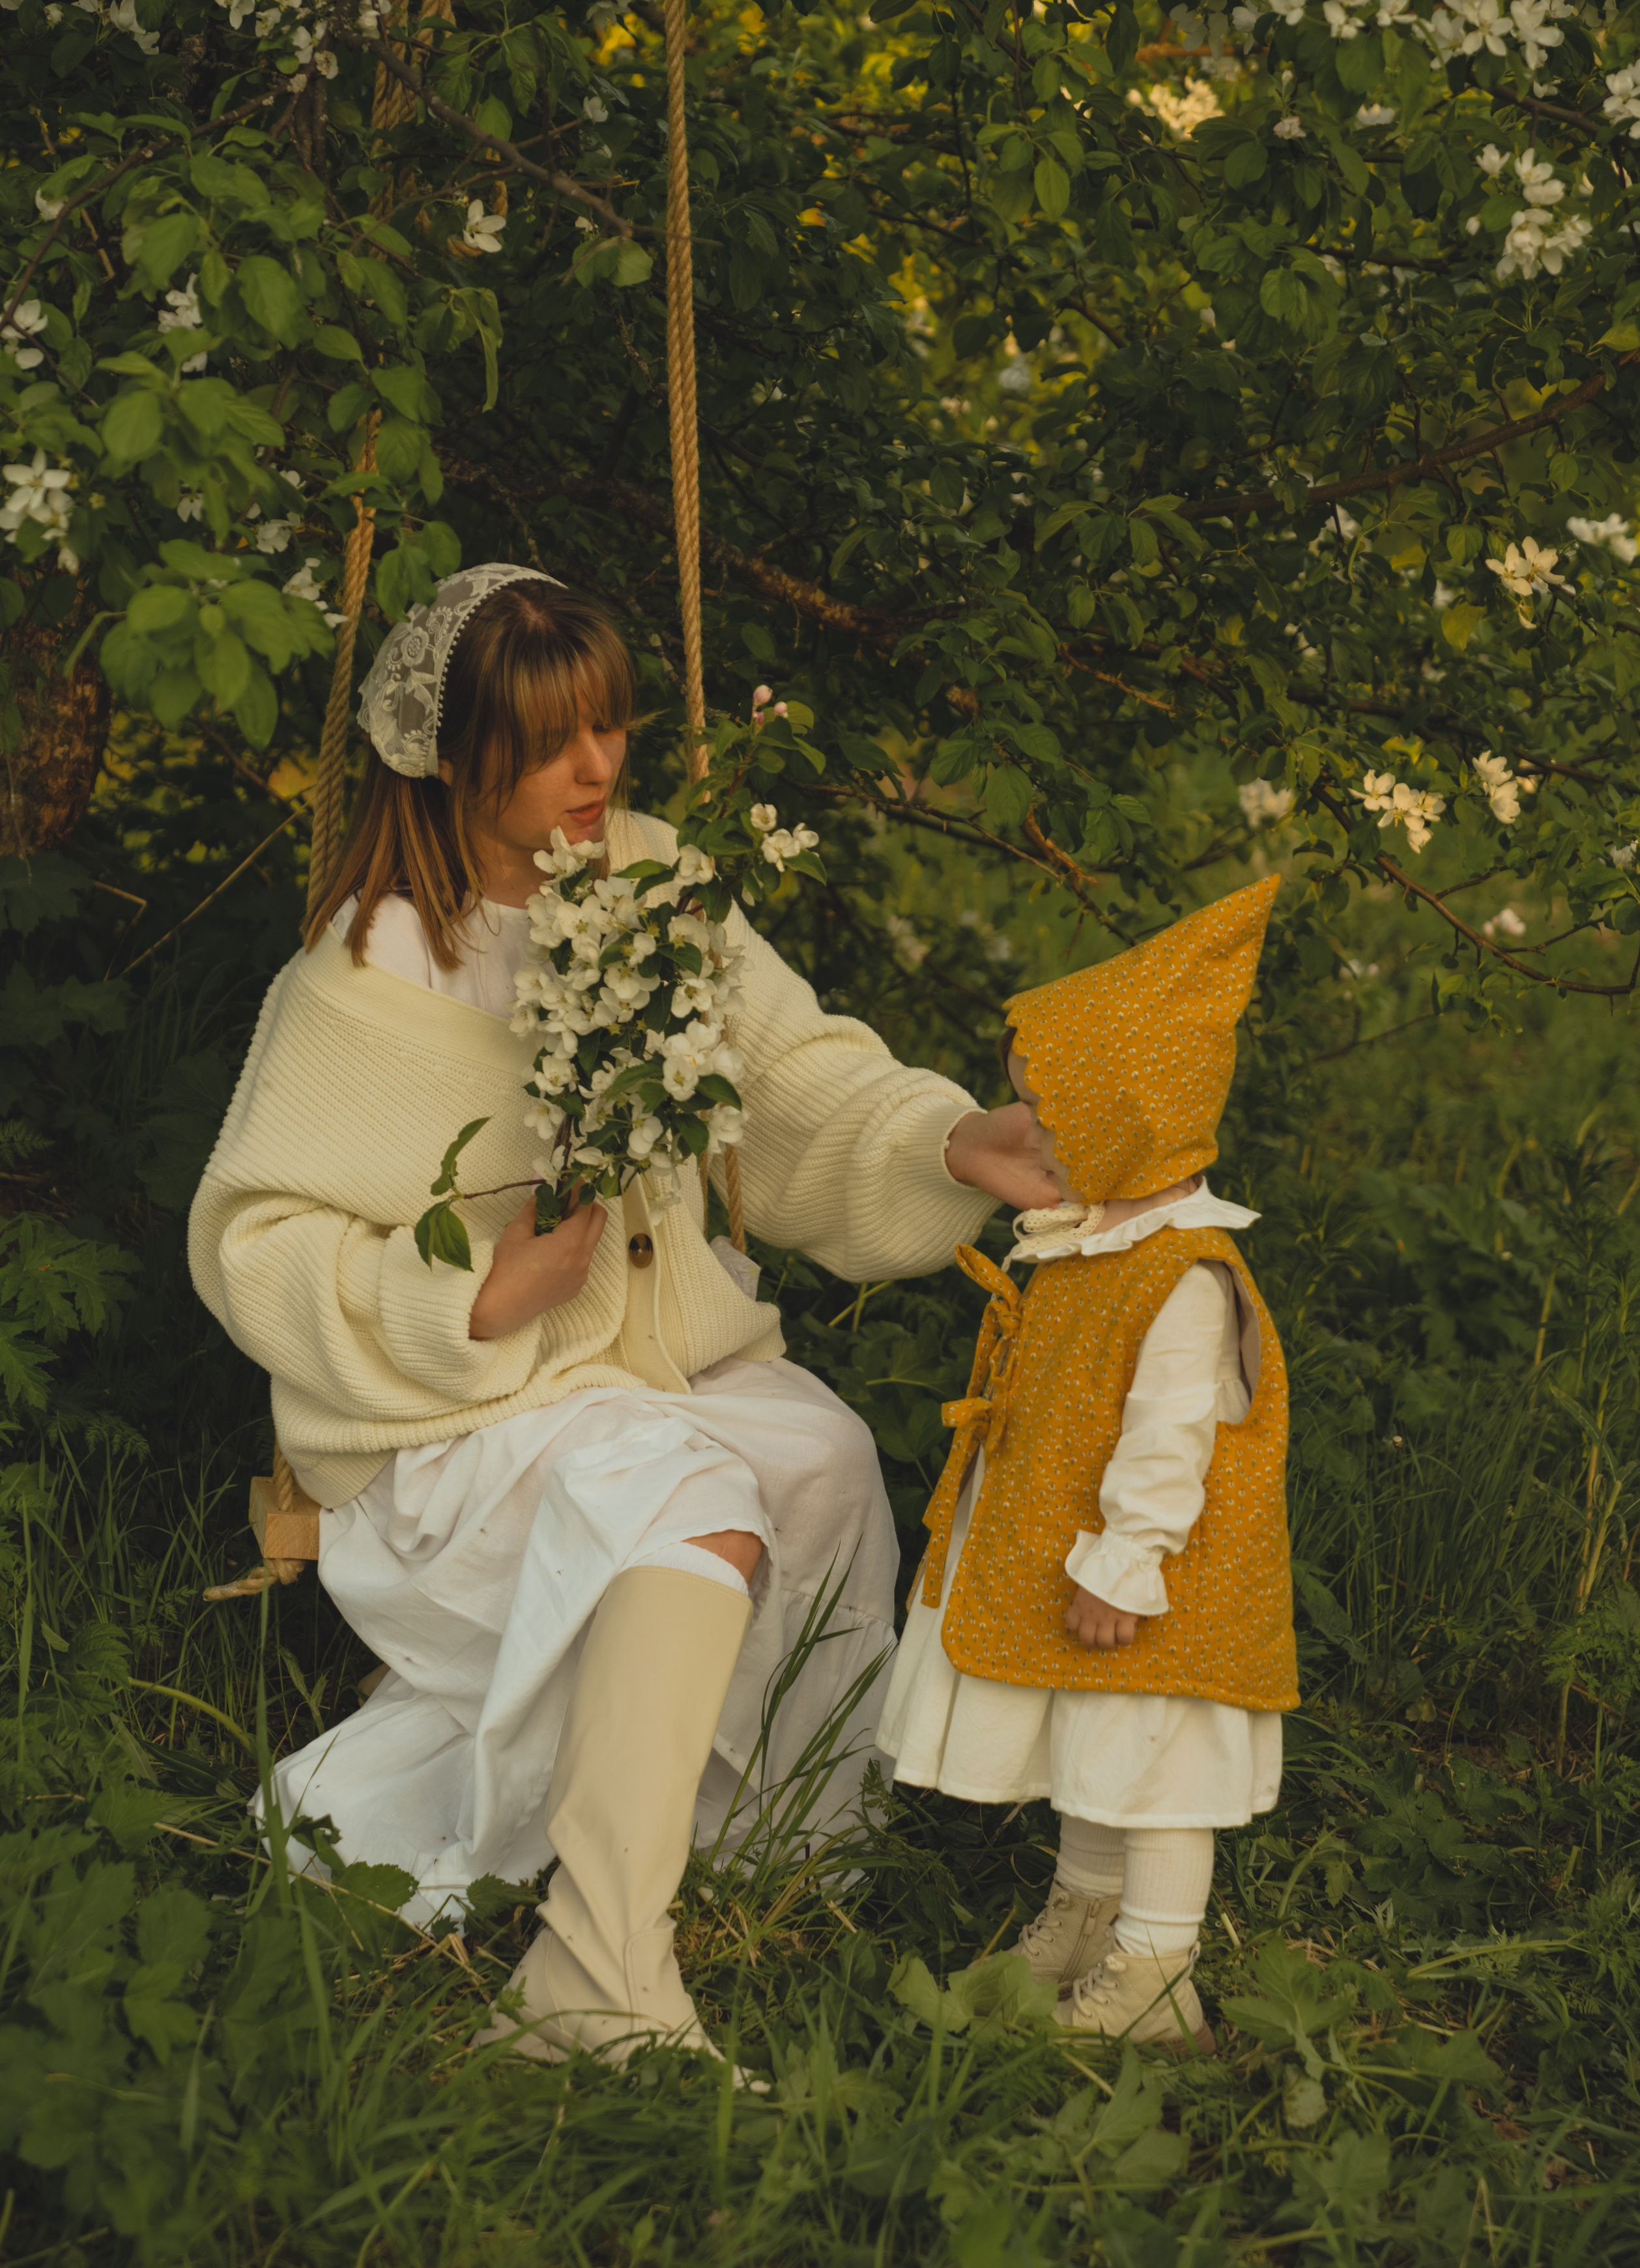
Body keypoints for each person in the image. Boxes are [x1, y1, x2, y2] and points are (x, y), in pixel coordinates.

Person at [188, 564, 1054, 2073]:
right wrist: (461, 1286)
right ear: (455, 756)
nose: (596, 769)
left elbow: (786, 1074)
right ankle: (590, 1975)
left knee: (824, 1460)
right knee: (692, 1504)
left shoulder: (651, 881)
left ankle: (756, 1853)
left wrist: (941, 1141)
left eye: (608, 727)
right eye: (550, 741)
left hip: (642, 1365)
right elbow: (256, 1240)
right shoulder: (362, 976)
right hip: (445, 1416)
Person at [877, 880, 1297, 2050]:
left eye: (1057, 1119)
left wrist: (1126, 1561)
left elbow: (1171, 1436)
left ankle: (1158, 1979)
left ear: (1130, 1120)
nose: (1040, 1140)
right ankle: (1086, 1918)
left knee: (1158, 1776)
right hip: (1102, 1566)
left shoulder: (1185, 1277)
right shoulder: (1101, 1249)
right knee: (1097, 1757)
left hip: (1164, 1586)